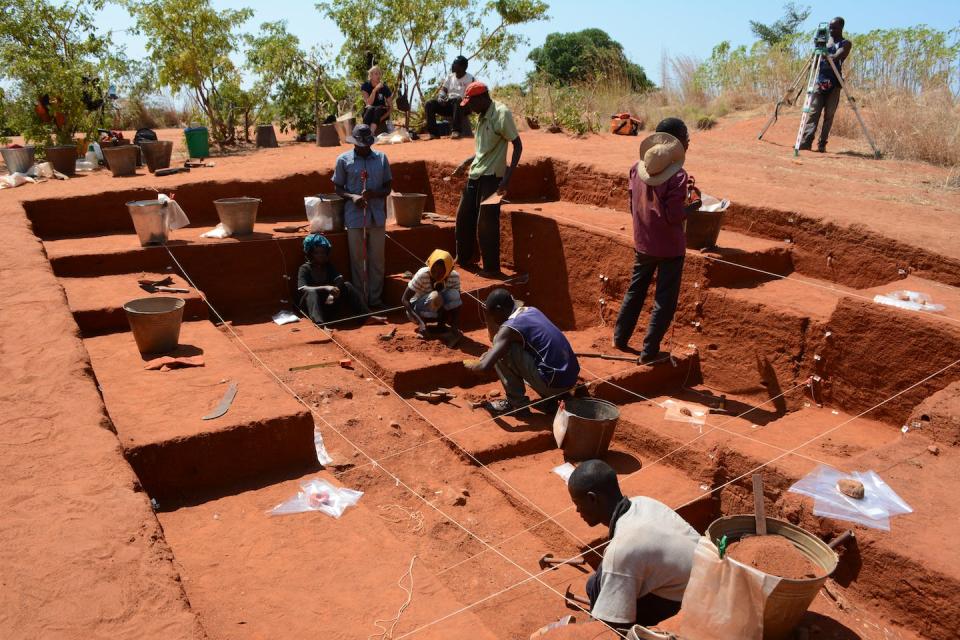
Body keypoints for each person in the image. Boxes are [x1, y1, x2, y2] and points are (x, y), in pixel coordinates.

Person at [568, 460, 700, 630]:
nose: (577, 511)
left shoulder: (622, 548)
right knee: (595, 584)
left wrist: (593, 629)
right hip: (702, 574)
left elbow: (612, 626)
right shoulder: (643, 502)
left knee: (609, 619)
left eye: (577, 504)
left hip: (690, 600)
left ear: (592, 499)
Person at [613, 118, 690, 364]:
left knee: (636, 290)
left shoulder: (637, 168)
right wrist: (694, 206)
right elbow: (675, 215)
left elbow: (631, 203)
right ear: (677, 142)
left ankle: (620, 338)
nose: (689, 141)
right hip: (669, 247)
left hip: (644, 242)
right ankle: (648, 353)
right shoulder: (678, 177)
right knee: (664, 301)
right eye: (686, 137)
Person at [465, 288, 579, 416]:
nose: (493, 319)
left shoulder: (509, 329)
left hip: (554, 384)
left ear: (499, 310)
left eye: (492, 315)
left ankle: (516, 404)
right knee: (503, 347)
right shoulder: (532, 311)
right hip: (569, 379)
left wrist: (473, 365)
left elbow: (484, 366)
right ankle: (552, 399)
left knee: (501, 348)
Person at [451, 82, 522, 277]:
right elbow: (482, 152)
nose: (470, 108)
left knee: (487, 221)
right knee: (463, 216)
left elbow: (518, 146)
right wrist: (464, 164)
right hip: (476, 173)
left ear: (482, 98)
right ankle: (464, 260)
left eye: (471, 103)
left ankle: (492, 268)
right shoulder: (481, 117)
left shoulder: (501, 113)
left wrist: (506, 179)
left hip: (493, 177)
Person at [333, 124, 392, 309]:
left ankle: (375, 299)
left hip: (377, 217)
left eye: (366, 145)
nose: (363, 148)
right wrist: (353, 197)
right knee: (358, 261)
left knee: (377, 261)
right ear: (354, 143)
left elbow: (387, 187)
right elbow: (338, 188)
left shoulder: (381, 158)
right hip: (354, 217)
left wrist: (374, 194)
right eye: (360, 145)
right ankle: (360, 302)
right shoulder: (343, 160)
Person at [799, 17, 852, 153]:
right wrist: (817, 54)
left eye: (834, 27)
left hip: (834, 84)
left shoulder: (845, 43)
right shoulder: (824, 44)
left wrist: (824, 53)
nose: (831, 30)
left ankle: (822, 144)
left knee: (829, 115)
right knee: (813, 112)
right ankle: (805, 142)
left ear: (841, 28)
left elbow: (836, 57)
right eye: (830, 27)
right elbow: (815, 63)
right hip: (819, 81)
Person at [298, 233, 367, 326]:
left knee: (347, 285)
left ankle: (366, 317)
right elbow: (302, 288)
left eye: (323, 253)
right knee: (311, 292)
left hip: (327, 304)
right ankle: (320, 324)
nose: (321, 255)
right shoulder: (305, 268)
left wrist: (333, 293)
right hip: (311, 307)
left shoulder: (328, 266)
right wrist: (325, 287)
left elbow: (339, 279)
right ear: (310, 254)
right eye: (317, 253)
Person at [402, 249, 463, 347]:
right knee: (434, 296)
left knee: (454, 294)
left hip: (438, 311)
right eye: (433, 270)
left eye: (441, 272)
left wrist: (454, 327)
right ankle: (424, 329)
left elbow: (456, 303)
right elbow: (404, 299)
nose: (436, 275)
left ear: (448, 270)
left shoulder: (454, 276)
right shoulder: (422, 274)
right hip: (417, 311)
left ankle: (441, 327)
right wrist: (421, 323)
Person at [424, 55, 475, 139]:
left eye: (455, 63)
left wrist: (460, 100)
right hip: (450, 105)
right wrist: (441, 97)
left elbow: (470, 96)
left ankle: (456, 131)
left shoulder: (470, 78)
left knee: (457, 99)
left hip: (463, 106)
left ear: (462, 67)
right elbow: (444, 90)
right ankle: (433, 133)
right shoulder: (450, 77)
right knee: (429, 104)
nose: (453, 65)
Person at [360, 65, 393, 134]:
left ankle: (371, 133)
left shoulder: (385, 88)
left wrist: (380, 119)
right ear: (371, 76)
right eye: (376, 73)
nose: (379, 76)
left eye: (379, 73)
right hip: (369, 112)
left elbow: (391, 108)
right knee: (370, 108)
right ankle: (364, 132)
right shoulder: (365, 86)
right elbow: (368, 103)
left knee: (378, 109)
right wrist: (375, 90)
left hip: (381, 112)